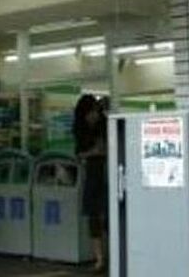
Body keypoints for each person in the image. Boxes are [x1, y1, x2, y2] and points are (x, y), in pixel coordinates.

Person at [73, 94, 108, 272]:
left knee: (108, 216)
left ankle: (111, 255)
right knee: (94, 218)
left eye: (95, 111)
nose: (93, 115)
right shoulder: (81, 130)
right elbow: (79, 154)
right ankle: (99, 259)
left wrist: (94, 152)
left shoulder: (105, 125)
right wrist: (94, 152)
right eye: (90, 113)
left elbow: (105, 149)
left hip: (106, 174)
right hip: (93, 176)